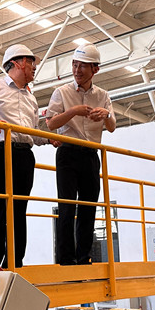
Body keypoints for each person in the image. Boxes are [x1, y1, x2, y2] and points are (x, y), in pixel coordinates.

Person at [0, 44, 54, 268]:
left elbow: (33, 133)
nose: (34, 68)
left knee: (19, 209)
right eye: (31, 63)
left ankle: (15, 262)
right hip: (0, 152)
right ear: (18, 63)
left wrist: (49, 139)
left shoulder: (31, 98)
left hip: (24, 156)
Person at [45, 43, 116, 265]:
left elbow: (112, 127)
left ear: (95, 69)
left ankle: (84, 257)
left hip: (91, 155)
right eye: (75, 65)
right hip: (67, 153)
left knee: (88, 207)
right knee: (67, 206)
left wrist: (106, 115)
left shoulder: (103, 96)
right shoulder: (62, 92)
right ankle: (66, 259)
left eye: (83, 66)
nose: (77, 70)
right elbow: (50, 123)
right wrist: (73, 111)